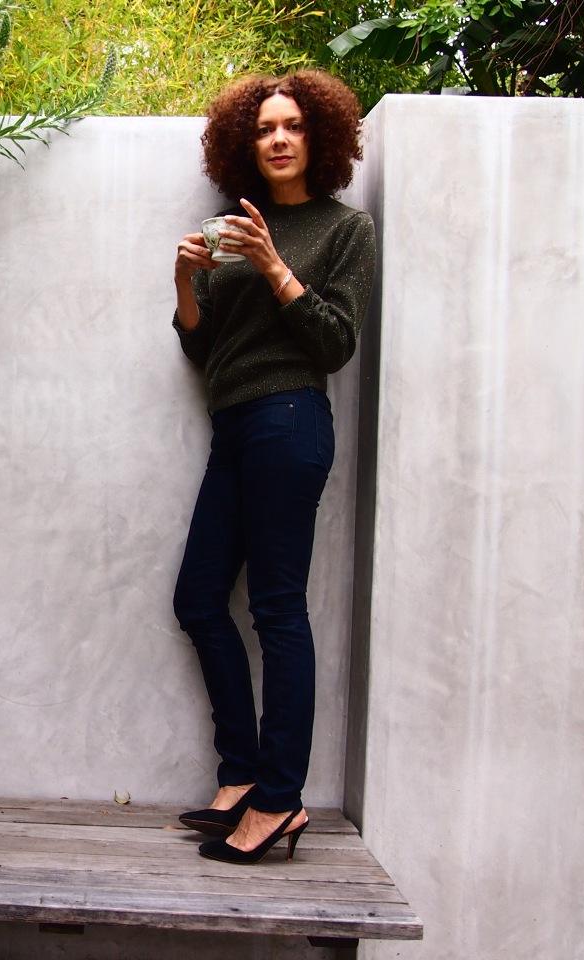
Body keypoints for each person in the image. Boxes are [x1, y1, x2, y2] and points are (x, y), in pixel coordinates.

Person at [170, 70, 376, 865]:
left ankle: (281, 799)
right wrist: (186, 280)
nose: (279, 139)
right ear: (244, 145)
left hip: (290, 419)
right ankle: (243, 773)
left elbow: (335, 343)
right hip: (233, 425)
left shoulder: (344, 230)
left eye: (293, 126)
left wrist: (273, 265)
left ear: (319, 137)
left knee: (278, 609)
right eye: (263, 129)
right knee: (198, 600)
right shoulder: (234, 227)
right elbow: (203, 347)